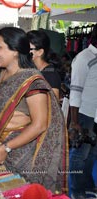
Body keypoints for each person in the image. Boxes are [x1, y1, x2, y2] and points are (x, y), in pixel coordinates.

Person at [0, 27, 68, 193]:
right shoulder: (0, 75)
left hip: (19, 153)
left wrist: (6, 148)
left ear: (15, 51)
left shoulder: (33, 81)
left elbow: (40, 125)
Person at [68, 24, 97, 199]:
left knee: (92, 153)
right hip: (84, 114)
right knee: (80, 154)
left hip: (94, 114)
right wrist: (75, 121)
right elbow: (75, 90)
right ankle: (76, 191)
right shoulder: (84, 57)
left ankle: (87, 185)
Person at [27, 30, 62, 100]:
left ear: (40, 52)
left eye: (28, 48)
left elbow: (53, 107)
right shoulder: (33, 70)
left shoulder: (50, 75)